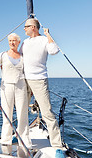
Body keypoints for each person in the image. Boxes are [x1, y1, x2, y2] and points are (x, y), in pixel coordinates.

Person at [20, 17, 64, 150]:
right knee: (22, 111)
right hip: (24, 79)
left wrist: (48, 34)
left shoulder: (44, 40)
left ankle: (57, 146)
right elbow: (20, 58)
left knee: (47, 114)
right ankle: (22, 137)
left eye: (26, 26)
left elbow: (54, 50)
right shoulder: (25, 42)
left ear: (33, 27)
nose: (24, 29)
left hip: (39, 80)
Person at [0, 33, 32, 150]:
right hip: (6, 87)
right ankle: (6, 140)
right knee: (7, 114)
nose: (12, 42)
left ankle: (24, 139)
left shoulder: (23, 56)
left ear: (18, 42)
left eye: (14, 41)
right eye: (10, 40)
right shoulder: (2, 55)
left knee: (22, 114)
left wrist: (31, 89)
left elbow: (27, 73)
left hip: (21, 86)